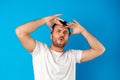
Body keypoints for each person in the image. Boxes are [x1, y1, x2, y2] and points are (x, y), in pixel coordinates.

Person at [15, 14, 105, 80]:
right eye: (58, 31)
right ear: (51, 35)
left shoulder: (72, 56)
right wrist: (45, 20)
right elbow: (20, 32)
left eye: (65, 32)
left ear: (68, 37)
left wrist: (83, 31)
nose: (62, 34)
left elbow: (100, 49)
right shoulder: (40, 50)